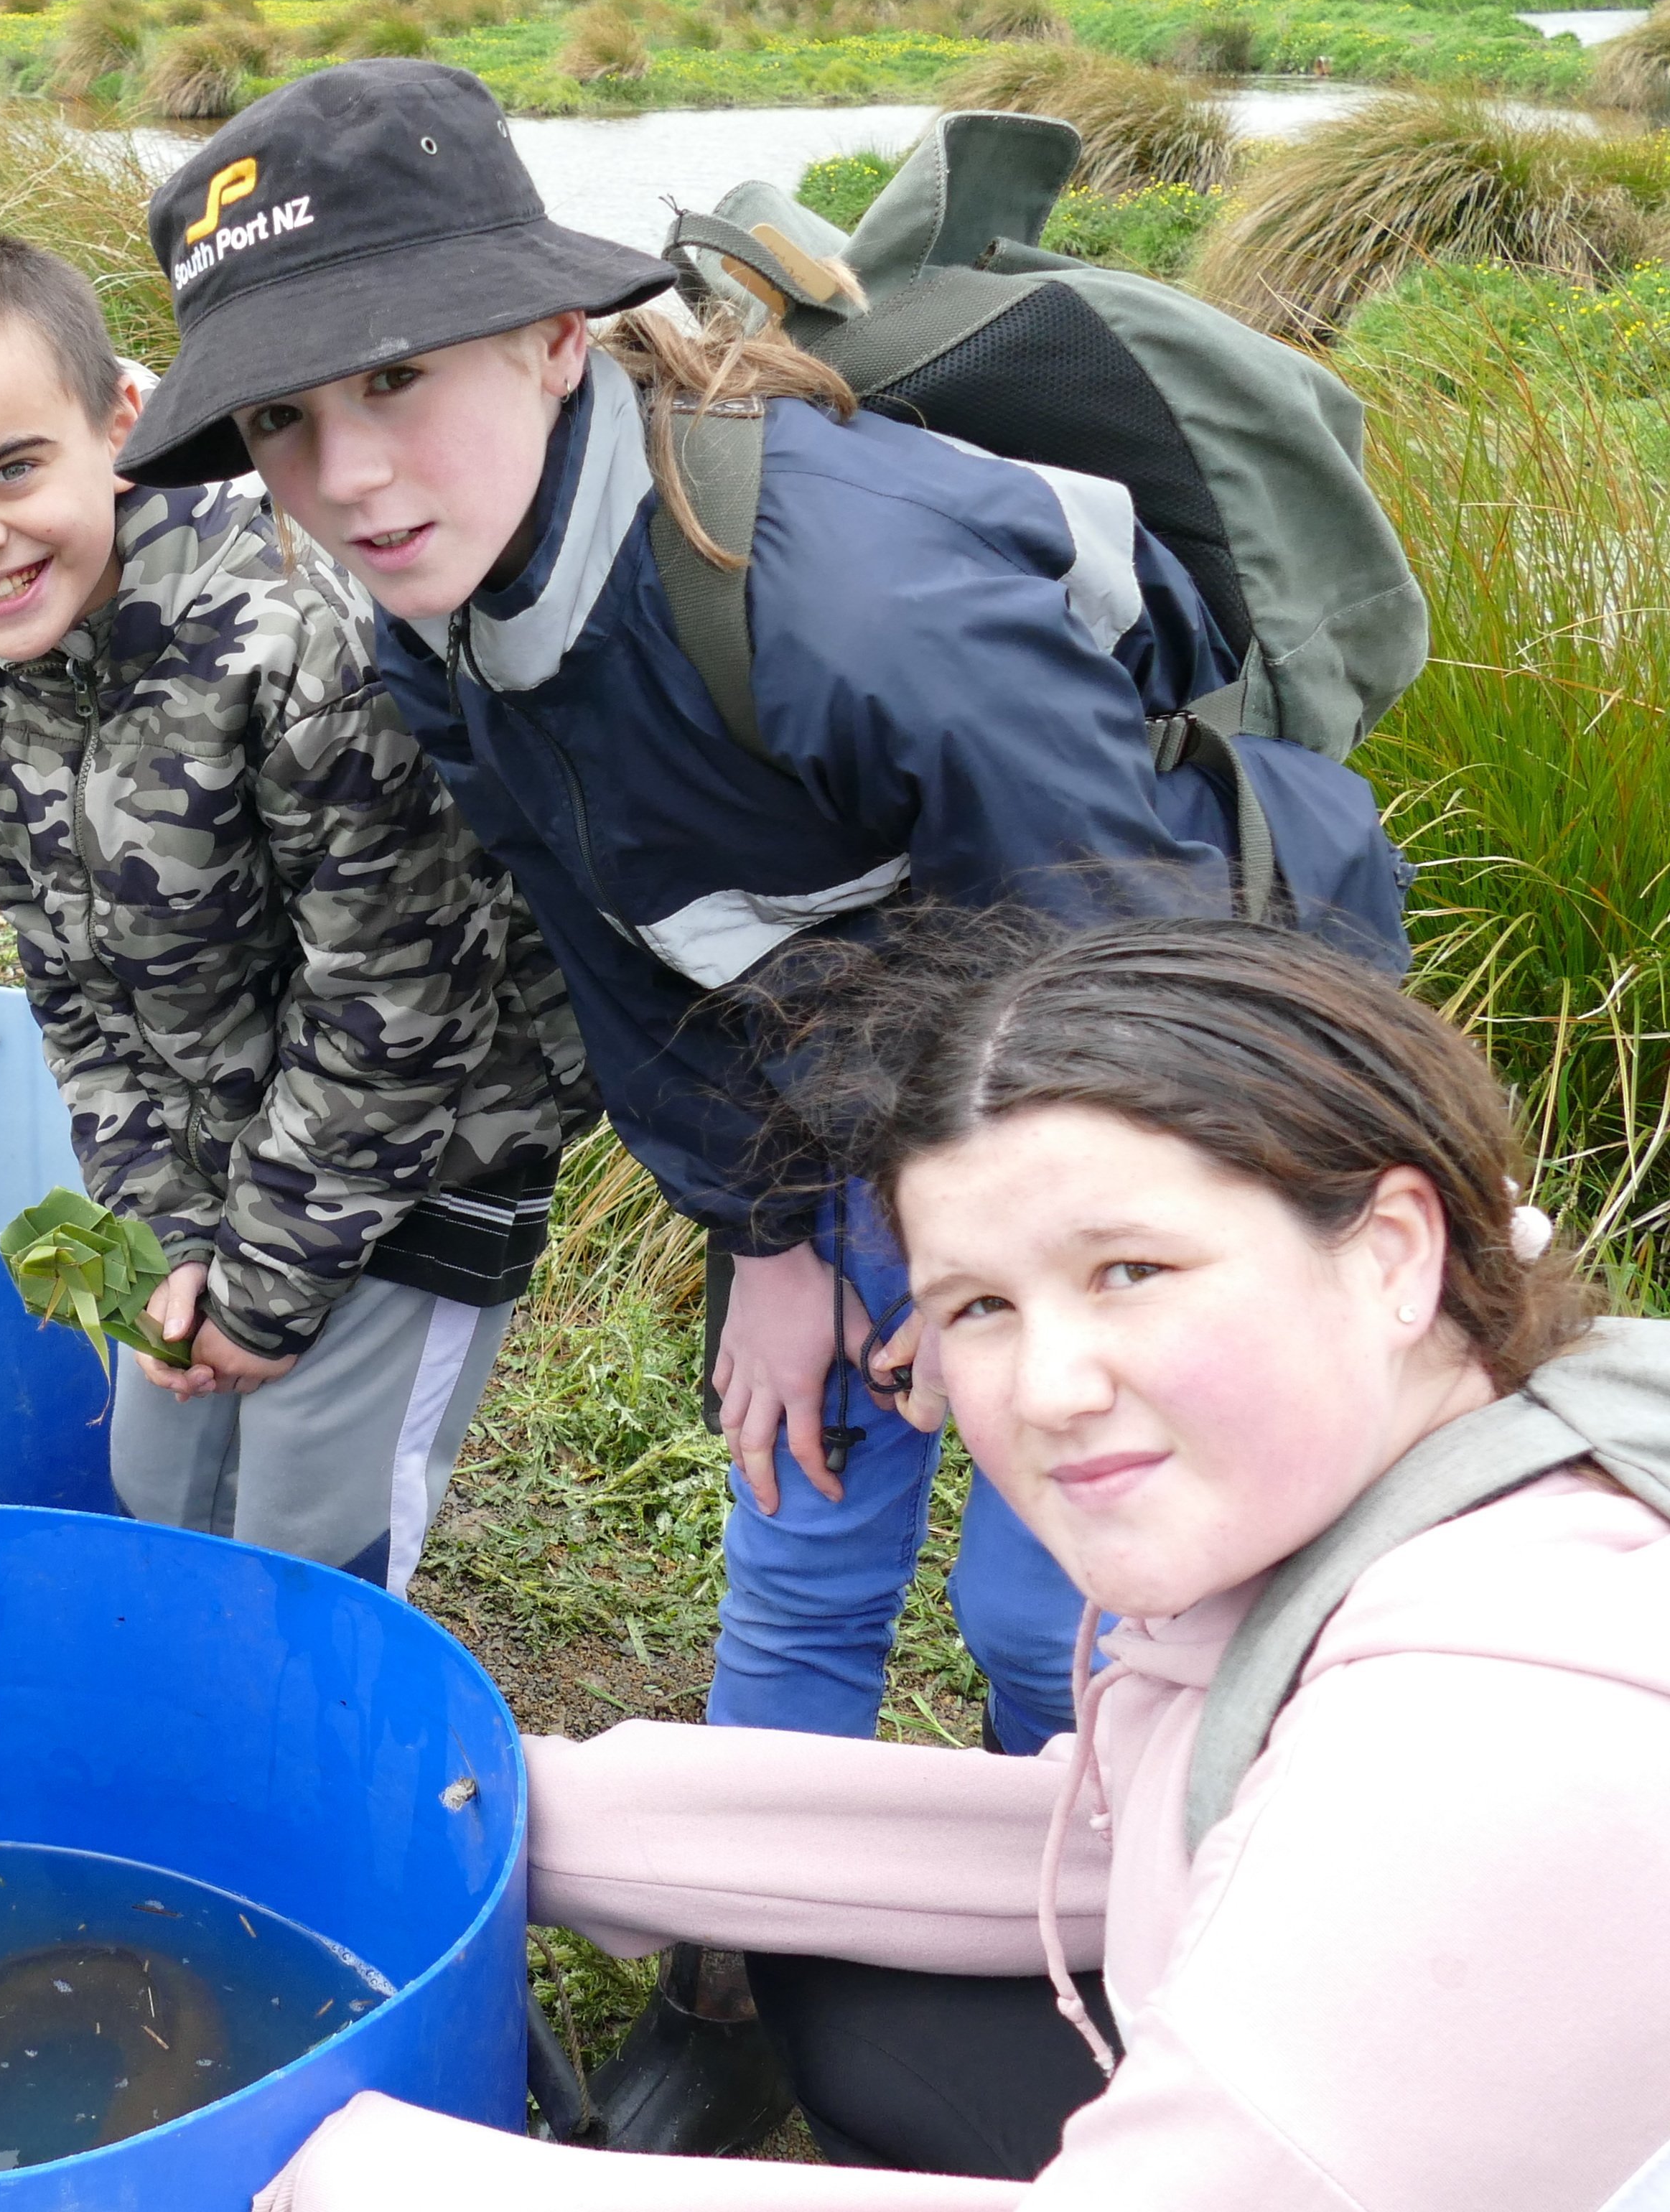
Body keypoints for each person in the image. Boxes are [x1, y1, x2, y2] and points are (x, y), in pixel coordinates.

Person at [113, 59, 1411, 2149]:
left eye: (394, 381)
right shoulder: (439, 593)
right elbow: (623, 944)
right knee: (800, 1511)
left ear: (557, 335)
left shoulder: (853, 602)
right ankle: (736, 1979)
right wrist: (776, 1240)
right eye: (282, 418)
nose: (346, 474)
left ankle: (1077, 1931)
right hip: (868, 1074)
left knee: (1049, 1581)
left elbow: (1140, 986)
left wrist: (1001, 1292)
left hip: (1166, 1084)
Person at [259, 911, 1670, 2206]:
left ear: (1389, 1253)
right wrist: (520, 1812)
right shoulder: (1466, 1457)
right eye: (978, 1305)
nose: (1048, 1385)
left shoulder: (1494, 1739)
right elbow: (1123, 1827)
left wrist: (351, 2172)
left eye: (1129, 1270)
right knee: (862, 1997)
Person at [0, 227, 587, 1589]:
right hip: (209, 1150)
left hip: (432, 1154)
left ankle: (328, 1770)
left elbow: (397, 1010)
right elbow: (64, 973)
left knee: (312, 1550)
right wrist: (165, 1228)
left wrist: (267, 1286)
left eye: (13, 469)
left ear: (126, 418)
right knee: (158, 1492)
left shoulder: (308, 640)